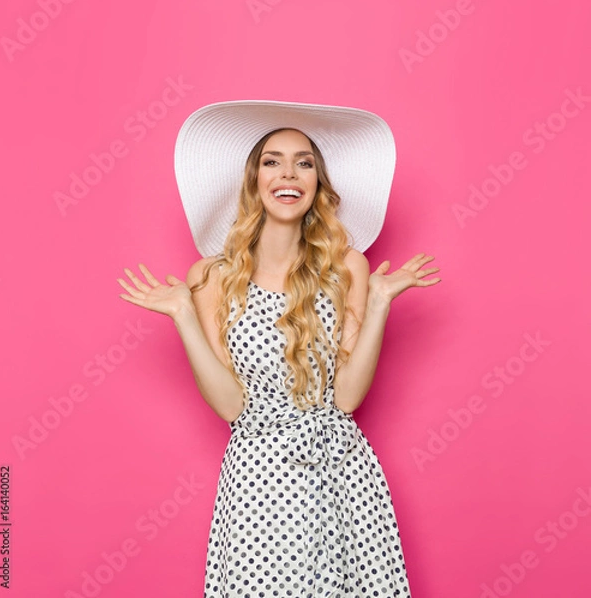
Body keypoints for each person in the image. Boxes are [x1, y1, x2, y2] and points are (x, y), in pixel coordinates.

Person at [116, 100, 441, 597]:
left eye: (304, 162)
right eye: (272, 160)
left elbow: (348, 400)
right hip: (259, 477)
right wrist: (184, 313)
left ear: (317, 182)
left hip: (341, 472)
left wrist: (377, 303)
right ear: (253, 180)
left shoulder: (348, 267)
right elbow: (230, 404)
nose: (288, 173)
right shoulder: (211, 276)